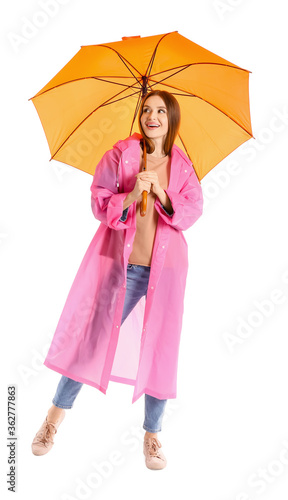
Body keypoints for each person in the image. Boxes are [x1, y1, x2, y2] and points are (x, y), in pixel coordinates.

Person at [31, 90, 203, 470]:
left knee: (160, 349)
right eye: (147, 109)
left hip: (165, 271)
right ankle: (52, 420)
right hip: (119, 268)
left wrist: (161, 192)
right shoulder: (120, 154)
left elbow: (192, 211)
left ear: (172, 119)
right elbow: (98, 201)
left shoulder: (183, 167)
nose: (152, 116)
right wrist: (130, 195)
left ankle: (152, 436)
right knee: (91, 340)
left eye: (161, 110)